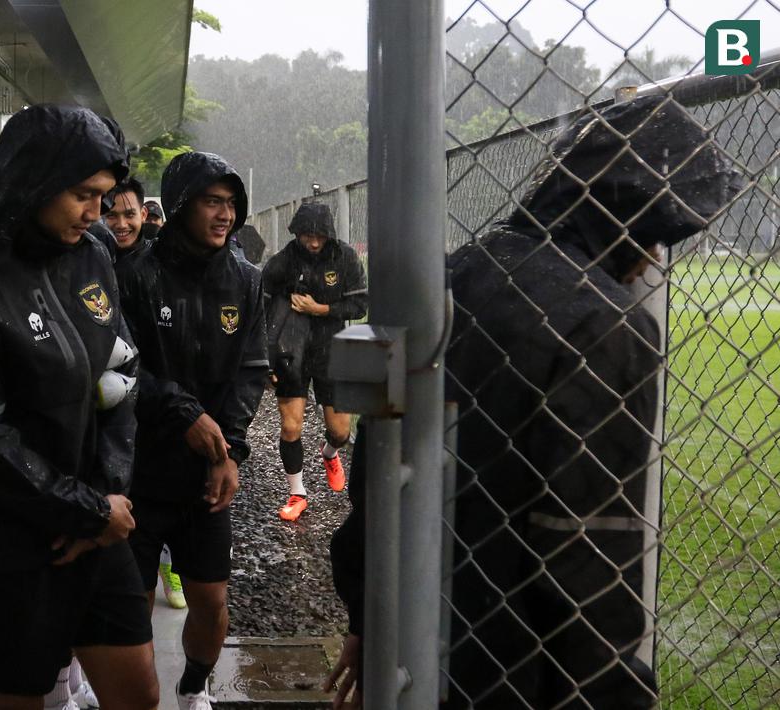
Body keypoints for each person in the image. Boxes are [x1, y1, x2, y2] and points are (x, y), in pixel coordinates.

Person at [327, 95, 744, 710]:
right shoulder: (605, 324)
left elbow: (378, 466)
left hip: (418, 628)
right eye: (652, 235)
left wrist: (369, 614)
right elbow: (585, 547)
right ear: (617, 215)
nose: (653, 259)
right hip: (518, 661)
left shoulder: (448, 277)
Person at [0, 104, 158, 710]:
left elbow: (122, 371)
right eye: (83, 194)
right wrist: (79, 511)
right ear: (32, 180)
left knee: (139, 693)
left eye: (105, 197)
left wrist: (105, 503)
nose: (96, 213)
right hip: (14, 545)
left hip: (98, 523)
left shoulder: (91, 253)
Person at [117, 151, 269, 710]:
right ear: (182, 206)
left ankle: (194, 686)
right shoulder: (134, 275)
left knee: (211, 600)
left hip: (208, 475)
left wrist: (231, 452)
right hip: (138, 470)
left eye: (231, 203)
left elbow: (252, 370)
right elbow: (120, 366)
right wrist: (182, 411)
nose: (224, 214)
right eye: (212, 201)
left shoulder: (247, 281)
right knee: (128, 605)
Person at [261, 202, 367, 521]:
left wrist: (320, 309)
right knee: (291, 426)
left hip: (331, 350)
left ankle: (329, 454)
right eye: (307, 236)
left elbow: (360, 304)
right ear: (297, 233)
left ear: (329, 235)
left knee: (340, 431)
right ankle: (297, 493)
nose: (314, 242)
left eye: (320, 236)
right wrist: (265, 358)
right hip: (291, 351)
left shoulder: (345, 258)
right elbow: (261, 308)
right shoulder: (282, 262)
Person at [104, 177, 151, 259]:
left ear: (143, 214)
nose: (121, 225)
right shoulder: (88, 259)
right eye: (111, 216)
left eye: (129, 214)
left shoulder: (161, 259)